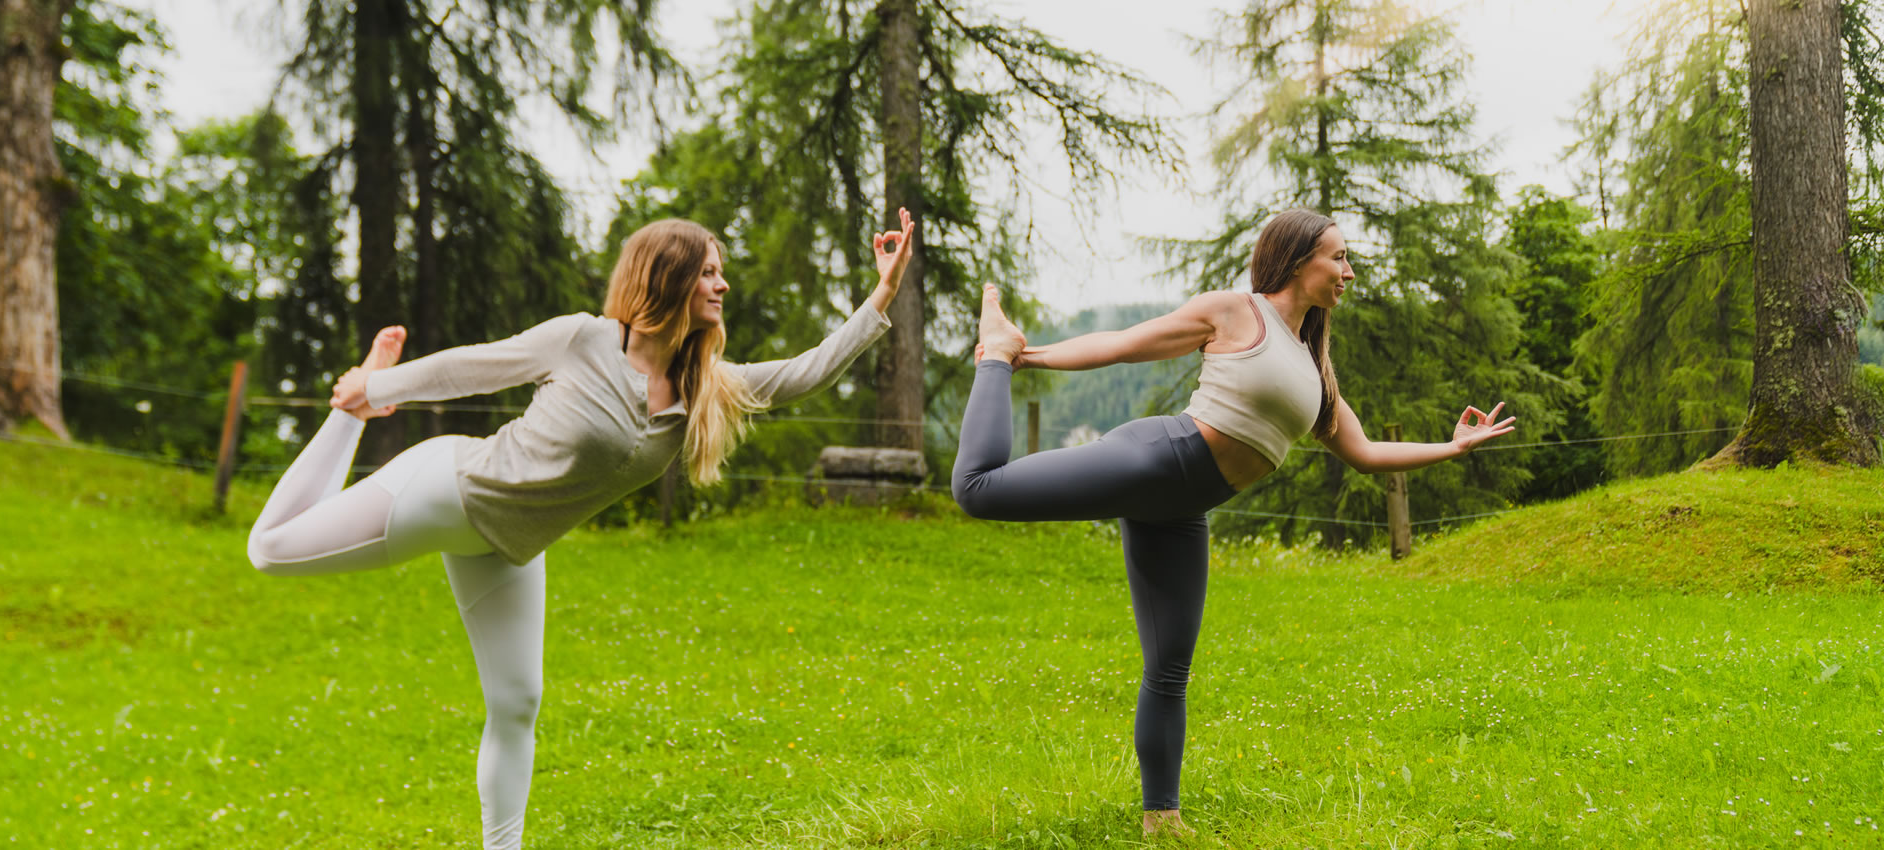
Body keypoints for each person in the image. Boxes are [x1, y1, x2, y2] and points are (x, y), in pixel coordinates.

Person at [245, 209, 916, 850]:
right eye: (709, 271)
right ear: (669, 276)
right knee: (269, 551)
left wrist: (880, 295)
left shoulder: (701, 389)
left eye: (720, 272)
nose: (722, 284)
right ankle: (345, 421)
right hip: (448, 489)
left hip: (508, 549)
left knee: (517, 704)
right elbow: (473, 366)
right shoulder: (584, 339)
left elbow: (805, 373)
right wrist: (377, 388)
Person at [950, 208, 1516, 837]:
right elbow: (1126, 344)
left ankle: (1162, 820)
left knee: (1169, 667)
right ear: (1300, 259)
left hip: (1185, 506)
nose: (1349, 272)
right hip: (1159, 457)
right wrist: (1024, 358)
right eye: (1339, 258)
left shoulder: (1314, 368)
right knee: (978, 490)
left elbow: (1364, 454)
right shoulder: (1235, 312)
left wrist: (1453, 446)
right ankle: (993, 358)